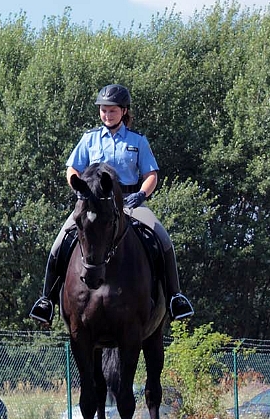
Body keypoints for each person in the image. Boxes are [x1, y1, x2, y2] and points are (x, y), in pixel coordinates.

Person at [29, 83, 194, 326]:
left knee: (163, 239)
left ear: (124, 111)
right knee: (60, 242)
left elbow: (151, 175)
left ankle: (175, 298)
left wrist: (141, 194)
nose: (107, 115)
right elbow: (72, 168)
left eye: (112, 111)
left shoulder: (138, 141)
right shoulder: (89, 139)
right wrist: (78, 188)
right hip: (93, 203)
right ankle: (46, 300)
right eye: (104, 110)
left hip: (129, 201)